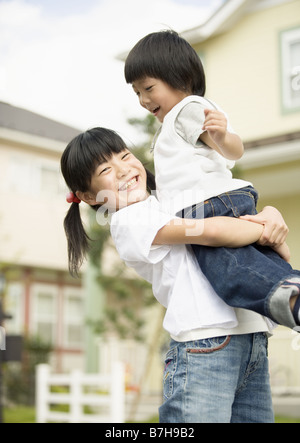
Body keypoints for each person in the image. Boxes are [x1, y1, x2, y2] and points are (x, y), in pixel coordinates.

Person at [61, 127, 293, 422]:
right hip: (205, 346)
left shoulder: (169, 202)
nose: (123, 169)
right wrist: (264, 229)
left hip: (251, 339)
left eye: (124, 155)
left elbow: (230, 207)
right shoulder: (130, 221)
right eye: (106, 169)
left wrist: (270, 212)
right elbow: (212, 231)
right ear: (89, 195)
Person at [124, 30, 300, 329]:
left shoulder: (186, 109)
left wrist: (222, 136)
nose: (143, 100)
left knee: (229, 270)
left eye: (148, 88)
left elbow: (234, 150)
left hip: (208, 202)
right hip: (211, 200)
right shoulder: (174, 120)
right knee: (244, 261)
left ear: (179, 77)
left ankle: (290, 301)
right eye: (137, 93)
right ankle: (287, 279)